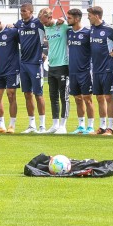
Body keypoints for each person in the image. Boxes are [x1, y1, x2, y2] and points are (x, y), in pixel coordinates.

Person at [15, 2, 48, 134]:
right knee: (27, 94)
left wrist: (44, 51)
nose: (22, 13)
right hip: (23, 63)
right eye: (21, 11)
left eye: (24, 11)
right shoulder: (19, 24)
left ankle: (42, 125)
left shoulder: (38, 24)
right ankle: (31, 124)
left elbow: (50, 32)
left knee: (38, 94)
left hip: (36, 64)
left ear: (31, 12)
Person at [87, 6, 113, 135]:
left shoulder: (109, 30)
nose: (88, 17)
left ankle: (110, 128)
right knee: (99, 98)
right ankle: (102, 126)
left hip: (107, 69)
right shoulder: (92, 29)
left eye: (89, 15)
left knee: (108, 97)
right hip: (96, 69)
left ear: (97, 15)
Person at [0, 14, 20, 133]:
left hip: (12, 69)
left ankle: (12, 125)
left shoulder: (11, 32)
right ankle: (0, 125)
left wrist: (15, 25)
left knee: (11, 95)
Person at [42, 7, 70, 135]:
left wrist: (64, 19)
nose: (44, 24)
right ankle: (55, 124)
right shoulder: (46, 28)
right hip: (51, 65)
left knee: (64, 96)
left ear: (50, 17)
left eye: (45, 21)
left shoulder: (62, 25)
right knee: (53, 96)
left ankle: (63, 125)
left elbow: (74, 26)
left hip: (64, 64)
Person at [65, 9, 93, 134]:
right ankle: (81, 126)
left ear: (77, 19)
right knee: (77, 99)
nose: (67, 20)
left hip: (85, 71)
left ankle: (91, 126)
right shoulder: (69, 32)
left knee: (87, 98)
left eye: (69, 18)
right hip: (73, 71)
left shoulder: (88, 32)